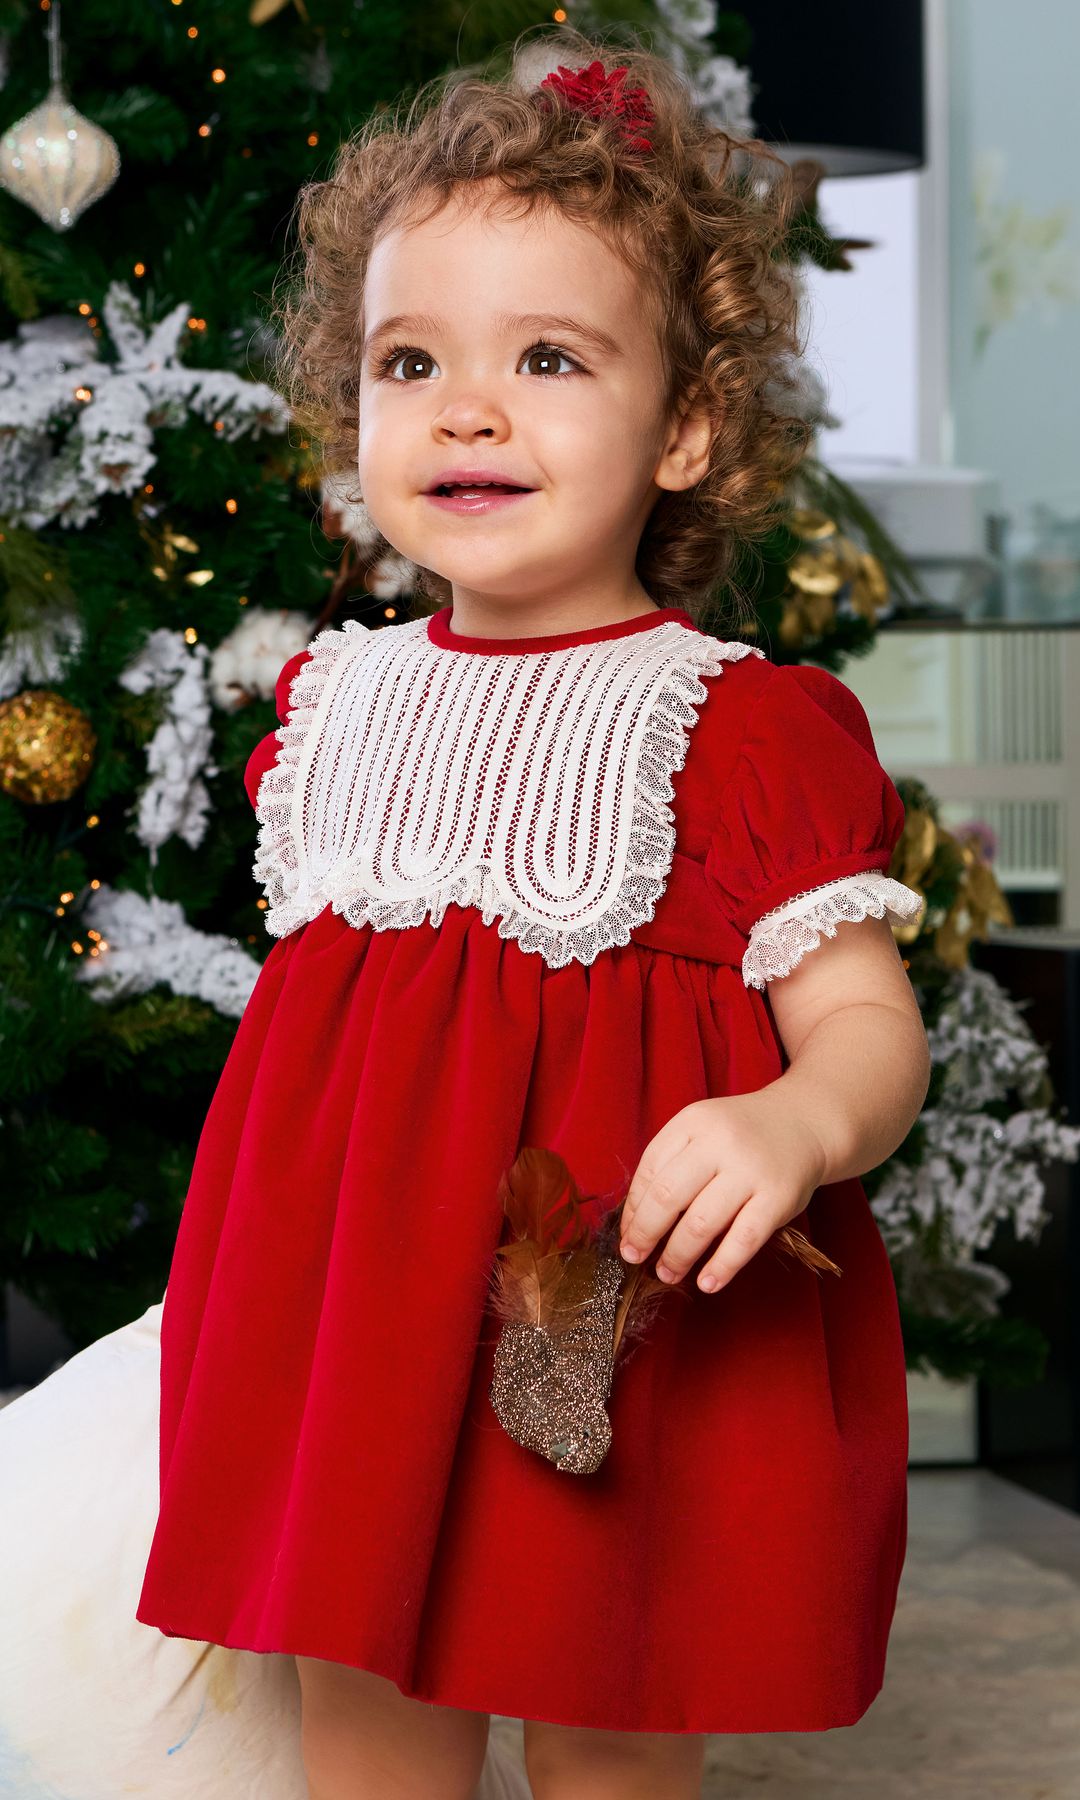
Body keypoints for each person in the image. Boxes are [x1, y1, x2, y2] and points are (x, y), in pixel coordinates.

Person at [134, 24, 931, 1800]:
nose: (467, 410)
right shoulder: (333, 708)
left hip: (601, 1324)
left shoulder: (737, 724)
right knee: (357, 1711)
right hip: (346, 1330)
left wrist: (799, 1117)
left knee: (606, 1723)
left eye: (550, 359)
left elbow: (870, 1027)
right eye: (409, 361)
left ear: (688, 427)